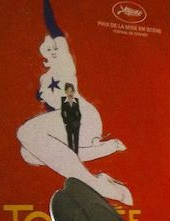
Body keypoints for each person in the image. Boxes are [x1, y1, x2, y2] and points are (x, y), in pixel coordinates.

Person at [16, 0, 132, 204]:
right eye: (49, 48)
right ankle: (102, 162)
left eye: (56, 46)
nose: (54, 50)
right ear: (43, 53)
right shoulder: (44, 80)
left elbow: (54, 28)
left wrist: (45, 6)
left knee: (26, 132)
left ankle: (97, 186)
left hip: (80, 114)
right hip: (66, 124)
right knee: (27, 153)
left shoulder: (65, 63)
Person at [60, 82, 81, 154]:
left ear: (74, 92)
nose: (70, 93)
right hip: (68, 123)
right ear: (65, 92)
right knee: (70, 139)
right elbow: (62, 112)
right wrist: (65, 122)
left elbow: (78, 112)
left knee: (76, 139)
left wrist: (78, 121)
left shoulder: (76, 100)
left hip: (76, 124)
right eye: (68, 91)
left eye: (71, 91)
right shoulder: (63, 100)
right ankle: (71, 154)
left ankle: (76, 154)